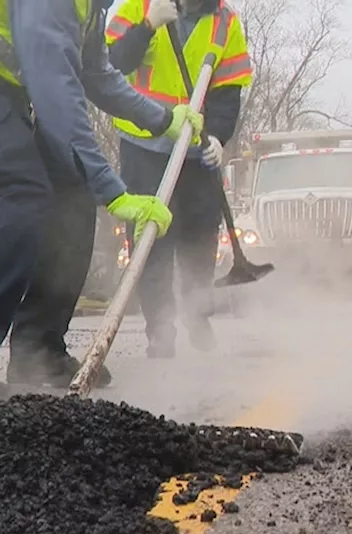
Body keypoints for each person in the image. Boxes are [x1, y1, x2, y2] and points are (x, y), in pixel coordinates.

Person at [0, 0, 204, 411]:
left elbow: (95, 73)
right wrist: (114, 191)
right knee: (21, 197)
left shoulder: (89, 7)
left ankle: (38, 350)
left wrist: (163, 119)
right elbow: (56, 94)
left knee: (71, 192)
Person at [106, 0, 251, 358]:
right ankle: (160, 329)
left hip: (196, 148)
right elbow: (114, 63)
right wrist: (147, 27)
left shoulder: (225, 23)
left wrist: (218, 136)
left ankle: (197, 313)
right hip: (144, 143)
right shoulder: (138, 7)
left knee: (200, 235)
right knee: (151, 238)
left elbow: (227, 92)